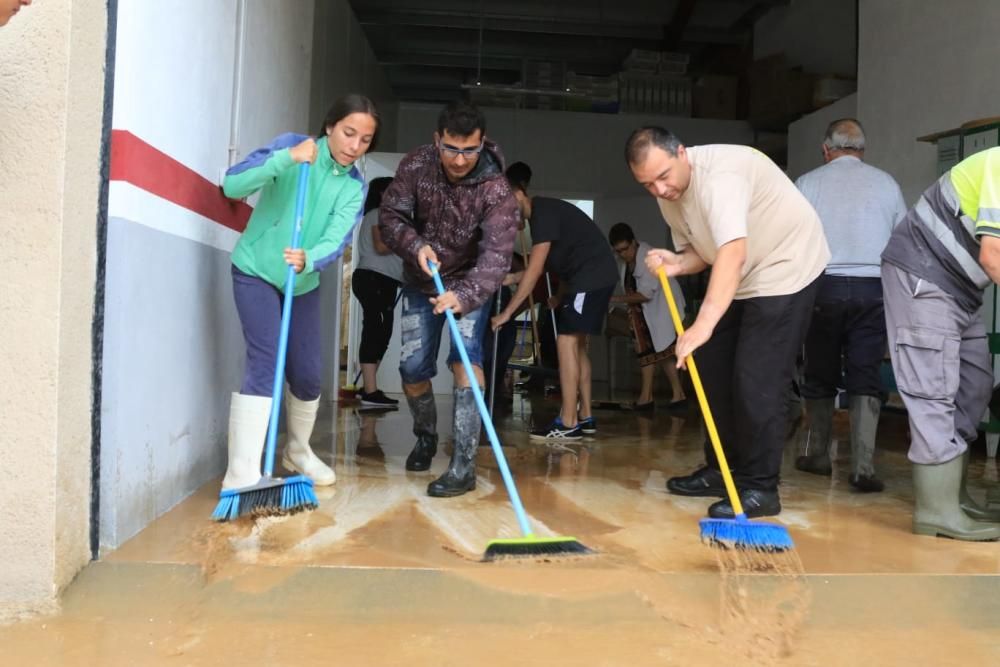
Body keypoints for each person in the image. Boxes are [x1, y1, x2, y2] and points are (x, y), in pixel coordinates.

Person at [626, 127, 829, 518]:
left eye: (664, 176)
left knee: (757, 378)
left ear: (682, 153)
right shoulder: (669, 195)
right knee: (710, 364)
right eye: (647, 184)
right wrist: (677, 262)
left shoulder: (720, 178)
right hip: (743, 274)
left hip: (787, 266)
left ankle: (760, 487)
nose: (660, 190)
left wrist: (700, 325)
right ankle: (724, 470)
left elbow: (732, 252)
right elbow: (702, 252)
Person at [219, 94, 379, 492]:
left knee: (307, 375)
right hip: (255, 270)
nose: (354, 146)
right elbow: (232, 184)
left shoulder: (354, 189)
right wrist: (286, 159)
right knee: (266, 363)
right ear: (329, 127)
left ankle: (298, 450)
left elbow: (337, 238)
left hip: (301, 281)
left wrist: (308, 258)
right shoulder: (292, 145)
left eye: (364, 140)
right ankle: (241, 473)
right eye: (348, 133)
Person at [378, 101, 519, 497]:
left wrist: (466, 294)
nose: (460, 160)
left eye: (469, 151)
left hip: (470, 284)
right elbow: (390, 217)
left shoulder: (497, 189)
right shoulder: (415, 165)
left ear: (482, 143)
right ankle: (425, 436)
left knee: (466, 361)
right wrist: (415, 245)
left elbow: (497, 256)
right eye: (452, 149)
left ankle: (463, 465)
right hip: (421, 281)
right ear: (437, 140)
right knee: (412, 369)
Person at [881, 146, 1000, 541]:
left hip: (961, 289)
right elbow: (994, 255)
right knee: (934, 389)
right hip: (923, 275)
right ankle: (936, 511)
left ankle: (955, 496)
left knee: (975, 383)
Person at [793, 119, 907, 492]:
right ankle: (862, 468)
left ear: (827, 150)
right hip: (873, 289)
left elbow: (793, 239)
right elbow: (902, 243)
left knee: (820, 373)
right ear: (862, 150)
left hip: (822, 287)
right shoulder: (886, 183)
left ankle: (819, 455)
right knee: (865, 375)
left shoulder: (808, 183)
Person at [492, 166, 619, 440]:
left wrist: (507, 313)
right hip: (594, 277)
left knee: (565, 341)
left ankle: (568, 421)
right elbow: (539, 265)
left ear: (518, 194)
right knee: (577, 346)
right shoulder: (546, 215)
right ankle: (585, 416)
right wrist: (513, 276)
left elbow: (536, 270)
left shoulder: (542, 214)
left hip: (590, 278)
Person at [607, 223, 688, 412]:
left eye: (625, 249)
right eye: (618, 251)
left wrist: (614, 299)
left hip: (662, 310)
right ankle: (673, 395)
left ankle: (652, 397)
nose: (623, 254)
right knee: (656, 353)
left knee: (657, 351)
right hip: (643, 313)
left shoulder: (648, 258)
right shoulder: (626, 262)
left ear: (633, 242)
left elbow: (645, 294)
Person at [351, 176, 403, 409]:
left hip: (386, 281)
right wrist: (406, 240)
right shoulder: (379, 214)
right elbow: (382, 247)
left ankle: (369, 388)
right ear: (383, 194)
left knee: (383, 332)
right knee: (375, 329)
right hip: (373, 278)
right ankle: (370, 392)